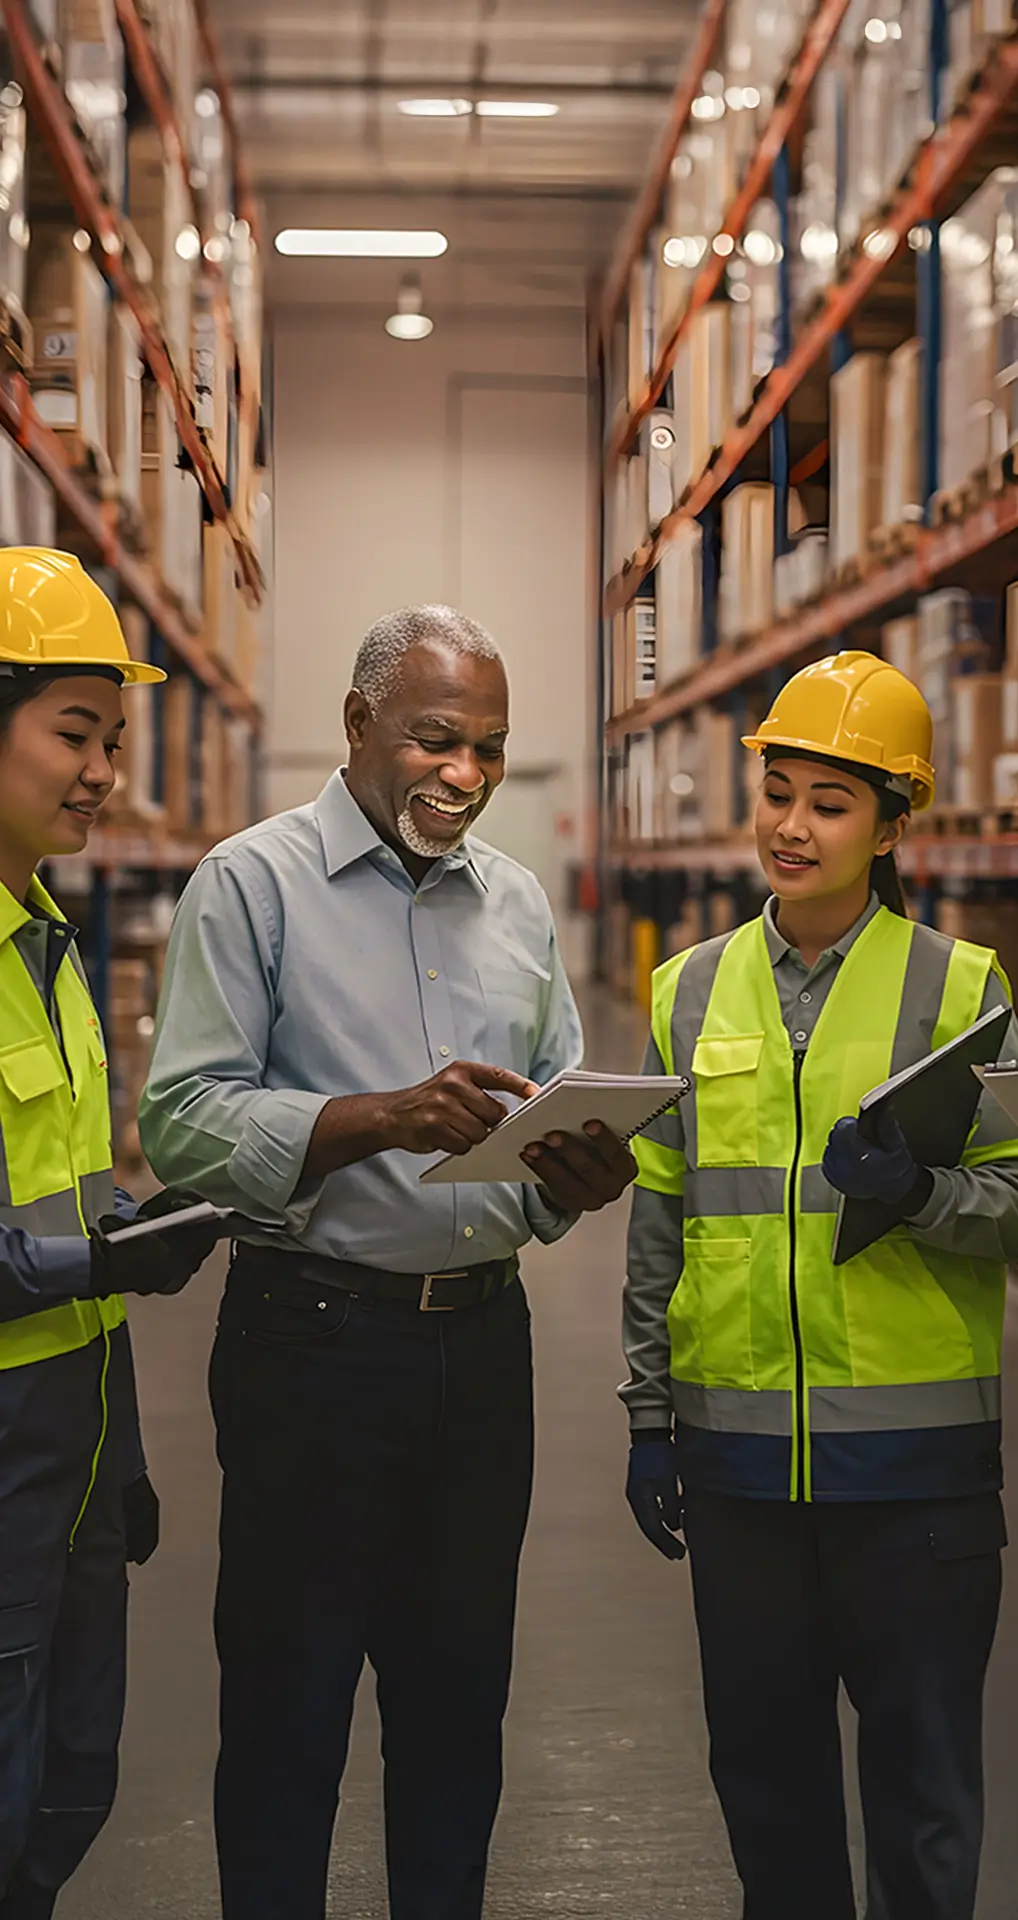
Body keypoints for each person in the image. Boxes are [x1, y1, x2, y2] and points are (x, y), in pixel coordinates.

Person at [138, 603, 637, 1920]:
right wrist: (380, 1121)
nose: (461, 776)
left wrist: (572, 1180)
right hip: (311, 1346)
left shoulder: (518, 907)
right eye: (433, 741)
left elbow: (550, 1107)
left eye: (486, 748)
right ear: (358, 726)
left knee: (457, 1714)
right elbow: (183, 1126)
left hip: (481, 1354)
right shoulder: (251, 885)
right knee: (288, 1719)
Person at [621, 651, 1018, 1920]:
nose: (791, 827)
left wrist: (918, 1196)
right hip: (740, 1471)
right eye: (777, 791)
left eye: (830, 801)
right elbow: (661, 1216)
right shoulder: (687, 990)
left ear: (891, 826)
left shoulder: (957, 992)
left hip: (917, 1488)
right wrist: (648, 1417)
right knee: (765, 1787)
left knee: (921, 1798)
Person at [0, 548, 226, 1920]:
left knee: (72, 1778)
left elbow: (61, 1188)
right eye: (73, 734)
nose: (101, 771)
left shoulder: (46, 938)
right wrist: (104, 1262)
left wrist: (134, 1224)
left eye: (115, 741)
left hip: (72, 1439)